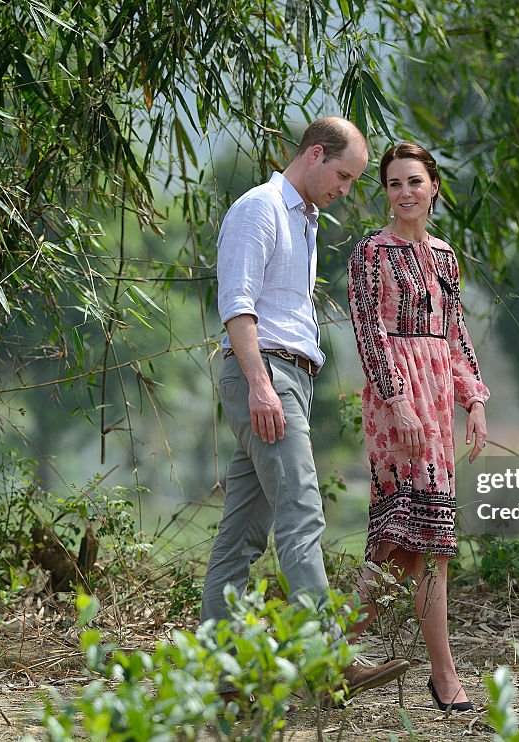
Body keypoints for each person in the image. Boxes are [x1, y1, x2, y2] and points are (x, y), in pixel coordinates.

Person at [201, 116, 411, 698]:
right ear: (315, 154)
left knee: (242, 535)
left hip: (286, 377)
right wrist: (262, 384)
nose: (346, 188)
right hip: (264, 376)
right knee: (302, 511)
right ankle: (329, 659)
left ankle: (221, 673)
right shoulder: (259, 208)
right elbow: (237, 306)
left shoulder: (306, 219)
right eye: (343, 175)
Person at [347, 142, 489, 712]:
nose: (404, 192)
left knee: (421, 548)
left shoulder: (446, 257)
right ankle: (439, 676)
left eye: (413, 181)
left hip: (437, 403)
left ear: (434, 187)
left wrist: (473, 399)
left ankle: (338, 659)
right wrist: (398, 401)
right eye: (393, 183)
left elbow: (454, 334)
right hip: (395, 406)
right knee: (398, 543)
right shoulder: (370, 254)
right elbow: (368, 333)